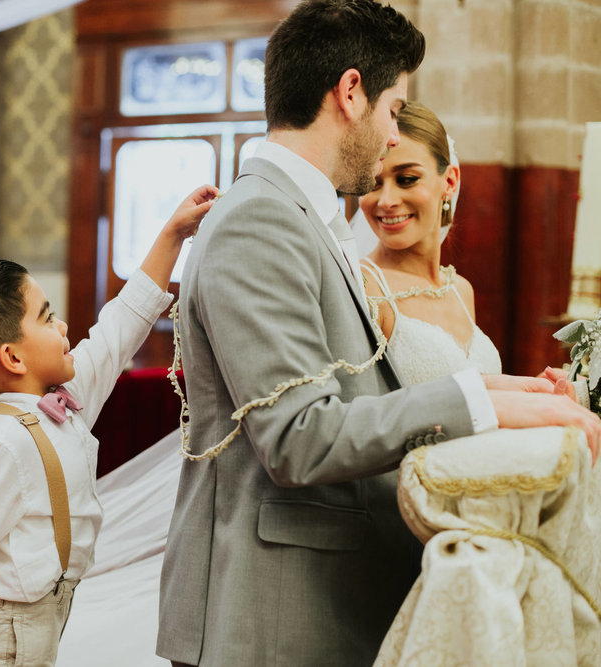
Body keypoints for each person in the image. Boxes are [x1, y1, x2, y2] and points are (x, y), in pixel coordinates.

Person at [157, 2, 601, 665]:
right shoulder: (260, 221)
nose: (394, 134)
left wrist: (514, 390)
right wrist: (485, 402)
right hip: (275, 615)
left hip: (331, 597)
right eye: (395, 110)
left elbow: (361, 383)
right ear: (351, 92)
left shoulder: (299, 214)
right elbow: (297, 437)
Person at [0, 185, 218, 667]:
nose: (63, 328)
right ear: (12, 357)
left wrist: (172, 234)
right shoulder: (5, 446)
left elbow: (119, 328)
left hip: (39, 624)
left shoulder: (66, 402)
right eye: (48, 317)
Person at [357, 101, 504, 384]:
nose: (387, 201)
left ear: (449, 181)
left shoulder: (461, 290)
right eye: (373, 183)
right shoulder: (367, 289)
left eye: (407, 179)